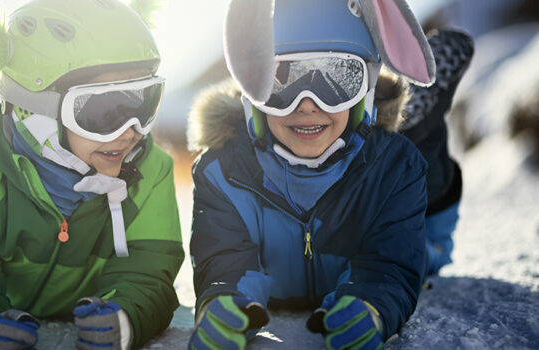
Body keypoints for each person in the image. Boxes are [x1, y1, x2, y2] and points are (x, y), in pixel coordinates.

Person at [0, 1, 184, 349]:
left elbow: (151, 270)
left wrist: (125, 316)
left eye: (143, 102)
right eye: (102, 110)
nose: (129, 131)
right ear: (41, 114)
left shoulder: (150, 169)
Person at [186, 0, 438, 349]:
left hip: (384, 178)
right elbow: (224, 254)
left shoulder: (395, 169)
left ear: (364, 90)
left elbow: (391, 260)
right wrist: (224, 300)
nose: (306, 103)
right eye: (281, 81)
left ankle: (429, 119)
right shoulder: (224, 173)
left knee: (430, 246)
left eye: (336, 78)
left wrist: (372, 304)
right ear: (252, 93)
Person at [399, 28, 474, 277]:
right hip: (432, 196)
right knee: (425, 251)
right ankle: (395, 105)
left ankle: (394, 105)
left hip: (434, 194)